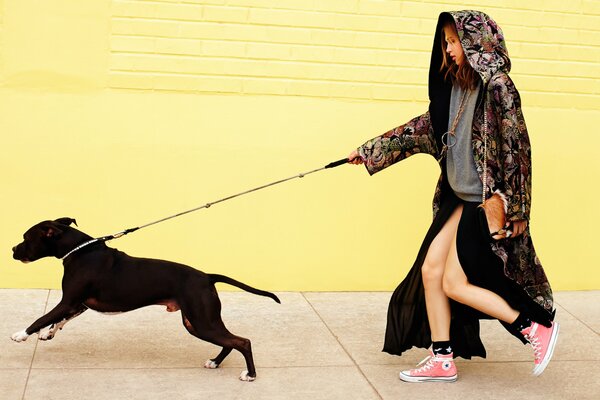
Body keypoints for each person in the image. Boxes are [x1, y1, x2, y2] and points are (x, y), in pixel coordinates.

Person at [347, 10, 559, 382]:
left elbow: (518, 149)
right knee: (432, 271)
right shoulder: (453, 87)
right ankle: (442, 358)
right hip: (457, 197)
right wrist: (371, 150)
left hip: (482, 203)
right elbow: (422, 128)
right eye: (444, 41)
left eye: (453, 41)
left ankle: (533, 328)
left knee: (453, 283)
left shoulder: (498, 87)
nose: (447, 49)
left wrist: (520, 209)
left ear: (477, 40)